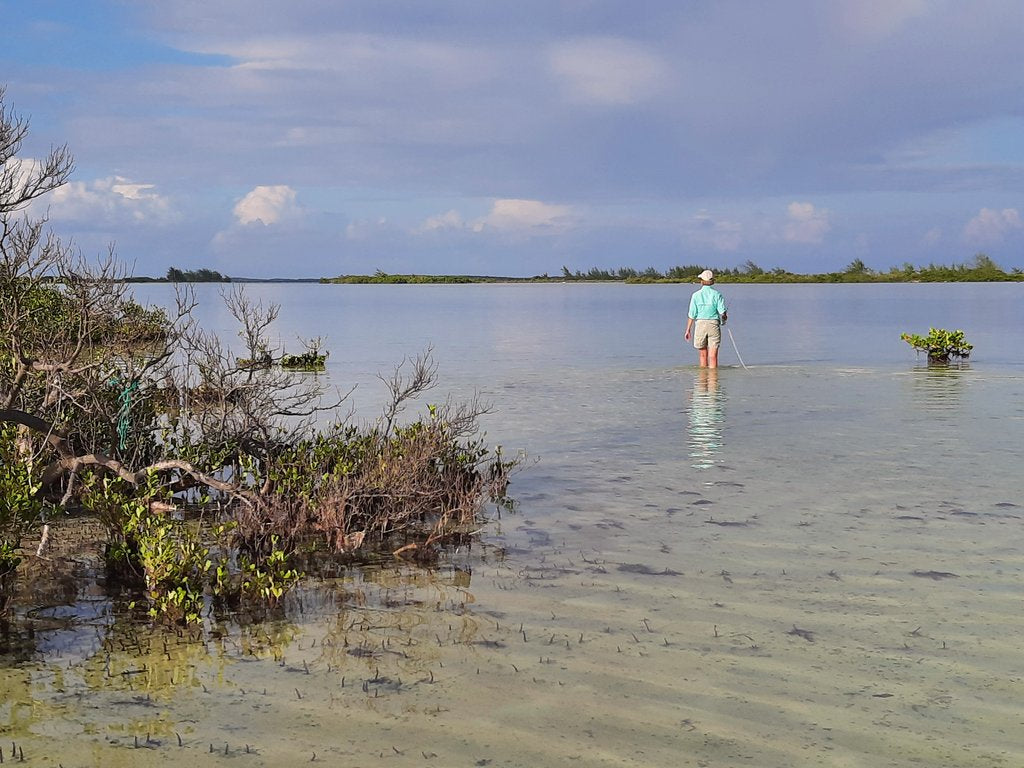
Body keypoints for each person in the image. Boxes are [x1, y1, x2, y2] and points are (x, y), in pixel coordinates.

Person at [684, 269, 728, 368]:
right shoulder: (717, 294)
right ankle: (713, 380)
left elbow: (692, 314)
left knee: (703, 355)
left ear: (701, 281)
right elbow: (722, 312)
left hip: (700, 325)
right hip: (713, 325)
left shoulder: (695, 295)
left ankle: (702, 381)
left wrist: (688, 330)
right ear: (712, 281)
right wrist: (724, 317)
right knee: (713, 356)